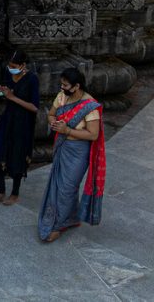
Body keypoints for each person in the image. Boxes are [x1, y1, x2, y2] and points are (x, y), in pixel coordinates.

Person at [38, 68, 106, 243]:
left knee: (67, 188)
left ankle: (58, 225)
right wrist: (53, 122)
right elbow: (51, 114)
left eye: (65, 85)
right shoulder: (62, 97)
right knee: (58, 185)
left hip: (78, 151)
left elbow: (93, 134)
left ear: (76, 86)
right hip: (63, 146)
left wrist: (67, 129)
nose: (62, 87)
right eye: (61, 84)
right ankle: (69, 218)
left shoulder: (89, 106)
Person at [0, 51, 39, 206]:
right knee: (0, 152)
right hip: (8, 119)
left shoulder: (32, 79)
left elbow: (34, 107)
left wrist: (13, 97)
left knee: (17, 154)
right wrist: (3, 94)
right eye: (9, 65)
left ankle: (15, 193)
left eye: (14, 66)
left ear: (23, 65)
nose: (10, 68)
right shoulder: (8, 74)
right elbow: (5, 95)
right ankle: (1, 191)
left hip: (22, 123)